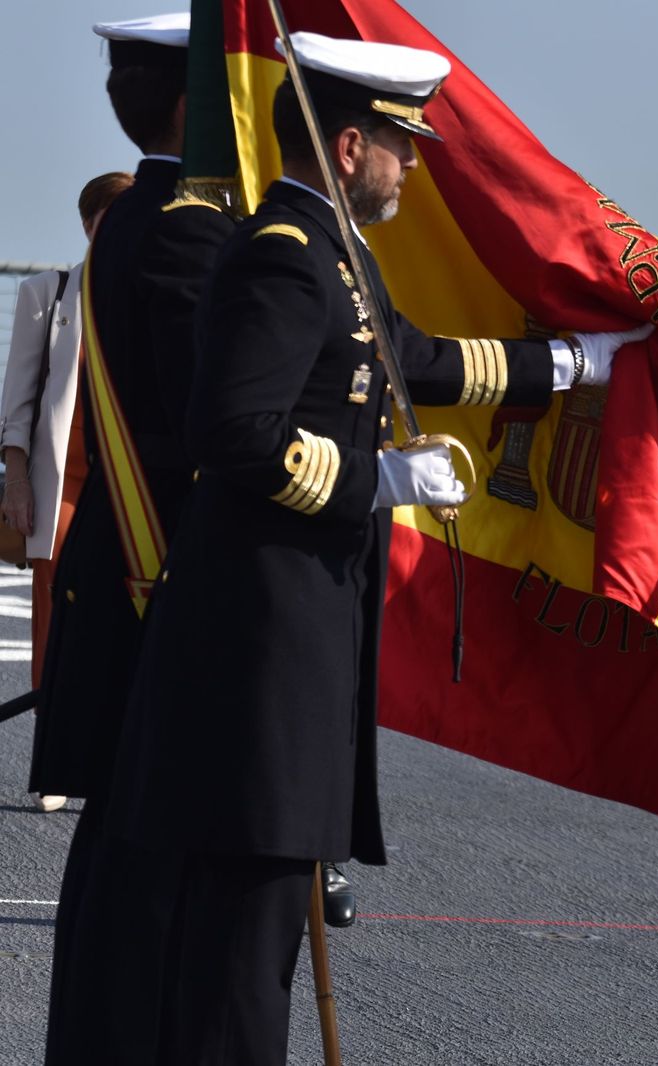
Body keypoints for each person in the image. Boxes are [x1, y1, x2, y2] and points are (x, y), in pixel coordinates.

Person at [102, 33, 649, 1065]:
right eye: (406, 144)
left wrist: (568, 365)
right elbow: (235, 434)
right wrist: (377, 481)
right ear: (349, 145)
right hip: (258, 641)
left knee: (262, 923)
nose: (417, 163)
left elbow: (415, 360)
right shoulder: (284, 258)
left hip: (297, 628)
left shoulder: (332, 253)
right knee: (242, 934)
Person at [32, 16, 237, 1066]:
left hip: (127, 588)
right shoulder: (196, 229)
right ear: (198, 110)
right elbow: (219, 431)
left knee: (119, 890)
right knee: (165, 915)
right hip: (172, 595)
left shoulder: (136, 215)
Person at [0, 171, 132, 813]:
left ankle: (119, 755)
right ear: (88, 224)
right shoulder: (45, 294)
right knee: (55, 614)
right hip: (65, 481)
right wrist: (16, 478)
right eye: (114, 216)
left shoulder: (153, 295)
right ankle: (57, 760)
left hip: (131, 486)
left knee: (129, 613)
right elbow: (18, 402)